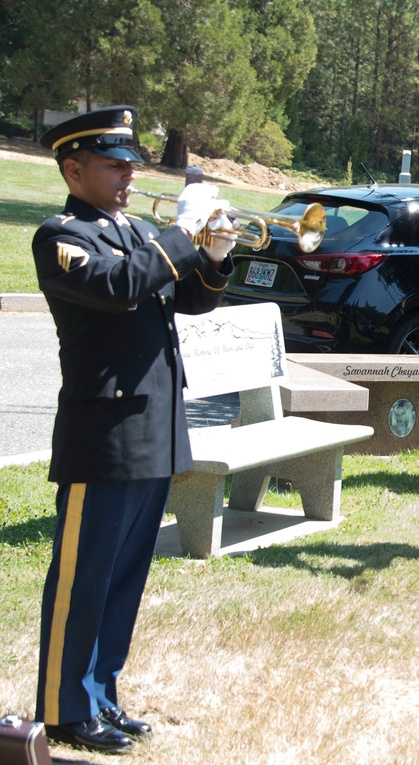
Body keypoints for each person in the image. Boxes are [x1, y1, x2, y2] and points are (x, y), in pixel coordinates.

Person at [32, 105, 237, 754]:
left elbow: (189, 300)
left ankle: (102, 695)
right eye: (115, 166)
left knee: (124, 577)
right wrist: (180, 233)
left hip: (152, 426)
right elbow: (122, 286)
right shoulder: (62, 236)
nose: (128, 177)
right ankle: (64, 707)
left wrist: (215, 253)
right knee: (83, 578)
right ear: (74, 169)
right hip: (104, 432)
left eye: (132, 167)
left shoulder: (137, 230)